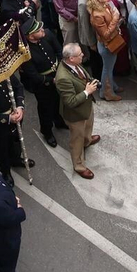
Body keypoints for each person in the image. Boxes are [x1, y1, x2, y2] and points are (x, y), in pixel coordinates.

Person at [54, 43, 101, 179]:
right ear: (71, 58)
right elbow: (70, 101)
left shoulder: (74, 65)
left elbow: (84, 76)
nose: (83, 56)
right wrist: (87, 92)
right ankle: (79, 165)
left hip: (85, 107)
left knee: (88, 126)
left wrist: (92, 82)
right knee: (76, 140)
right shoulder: (63, 77)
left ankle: (87, 140)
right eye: (80, 54)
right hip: (75, 114)